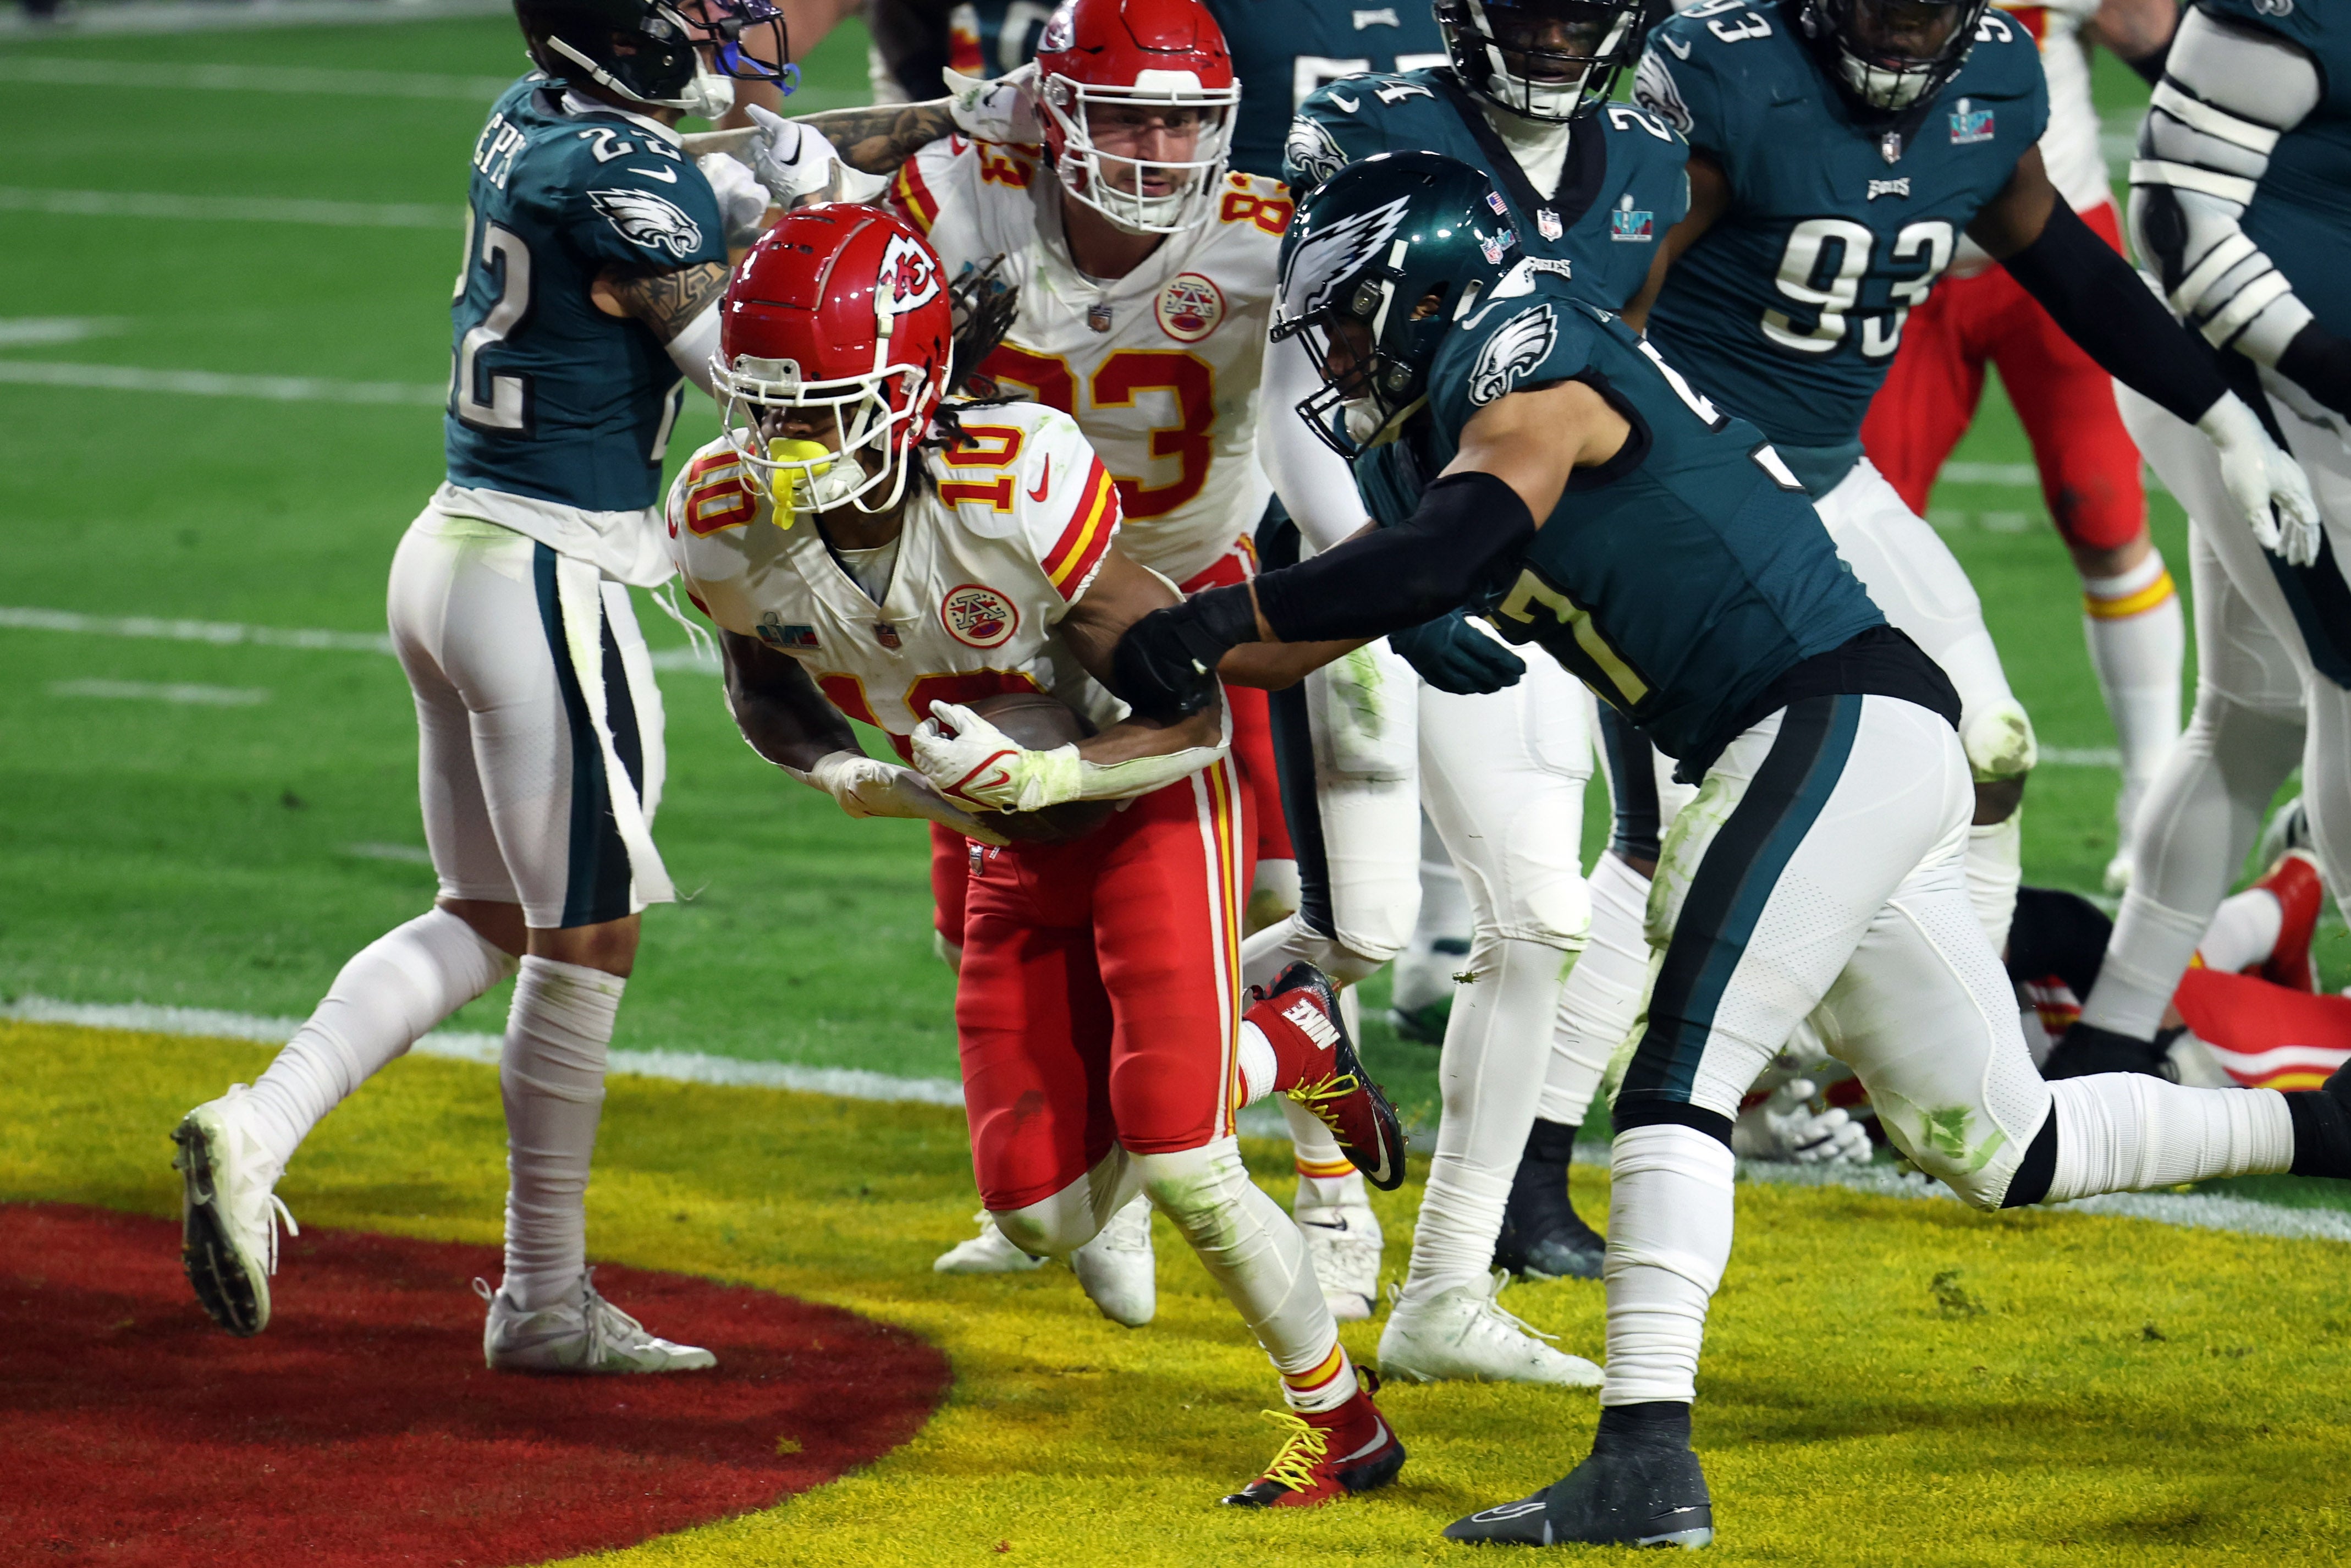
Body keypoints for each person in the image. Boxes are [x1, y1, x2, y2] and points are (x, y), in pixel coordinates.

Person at [1106, 150, 2338, 1549]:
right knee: (2008, 1144)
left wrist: (1213, 622)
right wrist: (1130, 642)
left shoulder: (1527, 356)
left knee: (1675, 1075)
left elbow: (1446, 548)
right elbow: (1314, 624)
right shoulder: (1416, 425)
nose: (1328, 352)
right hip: (1832, 743)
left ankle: (1644, 1461)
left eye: (1344, 317)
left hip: (1824, 713)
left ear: (1423, 294)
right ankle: (2326, 1124)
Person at [665, 202, 1407, 1506]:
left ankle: (1340, 1426)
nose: (784, 449)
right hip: (997, 840)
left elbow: (1191, 713)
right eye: (766, 410)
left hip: (1138, 802)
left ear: (910, 390)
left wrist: (1059, 772)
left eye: (821, 412)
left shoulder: (1008, 482)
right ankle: (1282, 1033)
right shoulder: (723, 513)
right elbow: (763, 684)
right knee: (1039, 1214)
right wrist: (843, 769)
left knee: (1180, 1156)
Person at [169, 0, 808, 1369]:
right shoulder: (630, 178)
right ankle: (540, 1297)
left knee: (488, 915)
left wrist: (850, 158)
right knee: (586, 942)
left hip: (453, 552)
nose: (714, 18)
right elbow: (763, 379)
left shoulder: (536, 117)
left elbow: (680, 184)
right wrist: (820, 217)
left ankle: (264, 1126)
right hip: (547, 573)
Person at [1248, 0, 1684, 1376]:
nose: (1555, 39)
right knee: (1361, 933)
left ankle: (1443, 1289)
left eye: (1582, 13)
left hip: (1512, 575)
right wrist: (1386, 578)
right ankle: (1154, 1077)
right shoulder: (1368, 131)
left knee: (1540, 919)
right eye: (1531, 10)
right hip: (1357, 551)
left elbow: (1607, 384)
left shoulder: (1647, 160)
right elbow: (1292, 399)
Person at [2047, 0, 2351, 1081]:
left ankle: (2114, 1031)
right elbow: (2177, 219)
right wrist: (2331, 371)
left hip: (2299, 396)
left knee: (2250, 718)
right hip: (2253, 387)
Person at [1860, 0, 2182, 892]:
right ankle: (1880, 805)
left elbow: (2163, 50)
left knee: (2103, 510)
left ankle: (2154, 797)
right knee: (1862, 542)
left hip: (2054, 245)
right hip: (1897, 259)